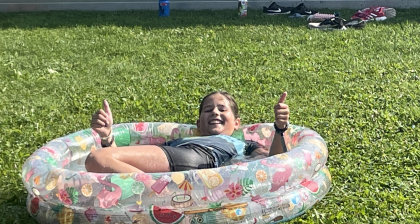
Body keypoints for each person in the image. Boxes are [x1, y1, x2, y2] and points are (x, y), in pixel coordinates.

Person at [85, 91, 291, 174]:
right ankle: (159, 191)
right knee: (99, 160)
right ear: (198, 124)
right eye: (208, 110)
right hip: (181, 158)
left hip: (197, 157)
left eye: (222, 109)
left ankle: (158, 193)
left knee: (95, 158)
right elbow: (113, 164)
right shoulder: (181, 140)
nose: (215, 113)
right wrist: (107, 136)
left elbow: (275, 163)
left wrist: (280, 128)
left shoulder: (245, 144)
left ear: (237, 123)